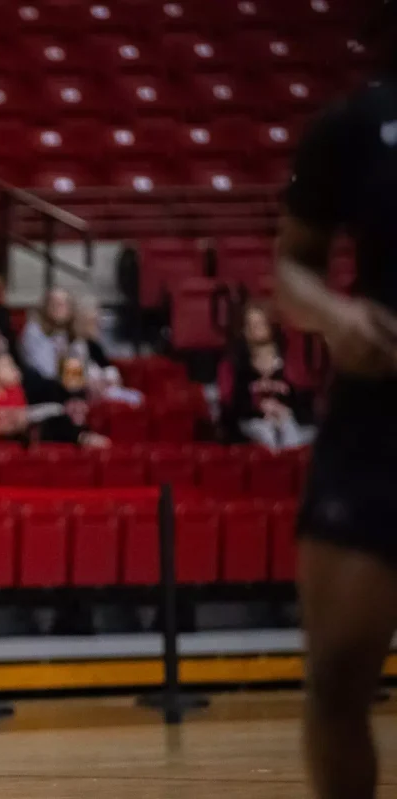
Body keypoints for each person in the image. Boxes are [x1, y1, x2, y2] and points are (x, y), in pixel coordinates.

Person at [274, 4, 397, 797]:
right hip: (380, 415)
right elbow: (291, 268)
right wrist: (336, 313)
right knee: (338, 672)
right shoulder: (354, 125)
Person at [218, 302, 315, 451]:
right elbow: (233, 406)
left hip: (288, 420)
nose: (256, 328)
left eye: (261, 323)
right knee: (265, 433)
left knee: (295, 433)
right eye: (251, 324)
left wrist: (284, 410)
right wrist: (261, 408)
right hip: (253, 423)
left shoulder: (290, 361)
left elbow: (303, 401)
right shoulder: (237, 363)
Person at [18, 286, 75, 381]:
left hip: (67, 386)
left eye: (62, 304)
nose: (58, 308)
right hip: (41, 386)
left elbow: (75, 378)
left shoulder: (72, 333)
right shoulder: (33, 331)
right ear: (45, 306)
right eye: (53, 304)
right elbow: (45, 371)